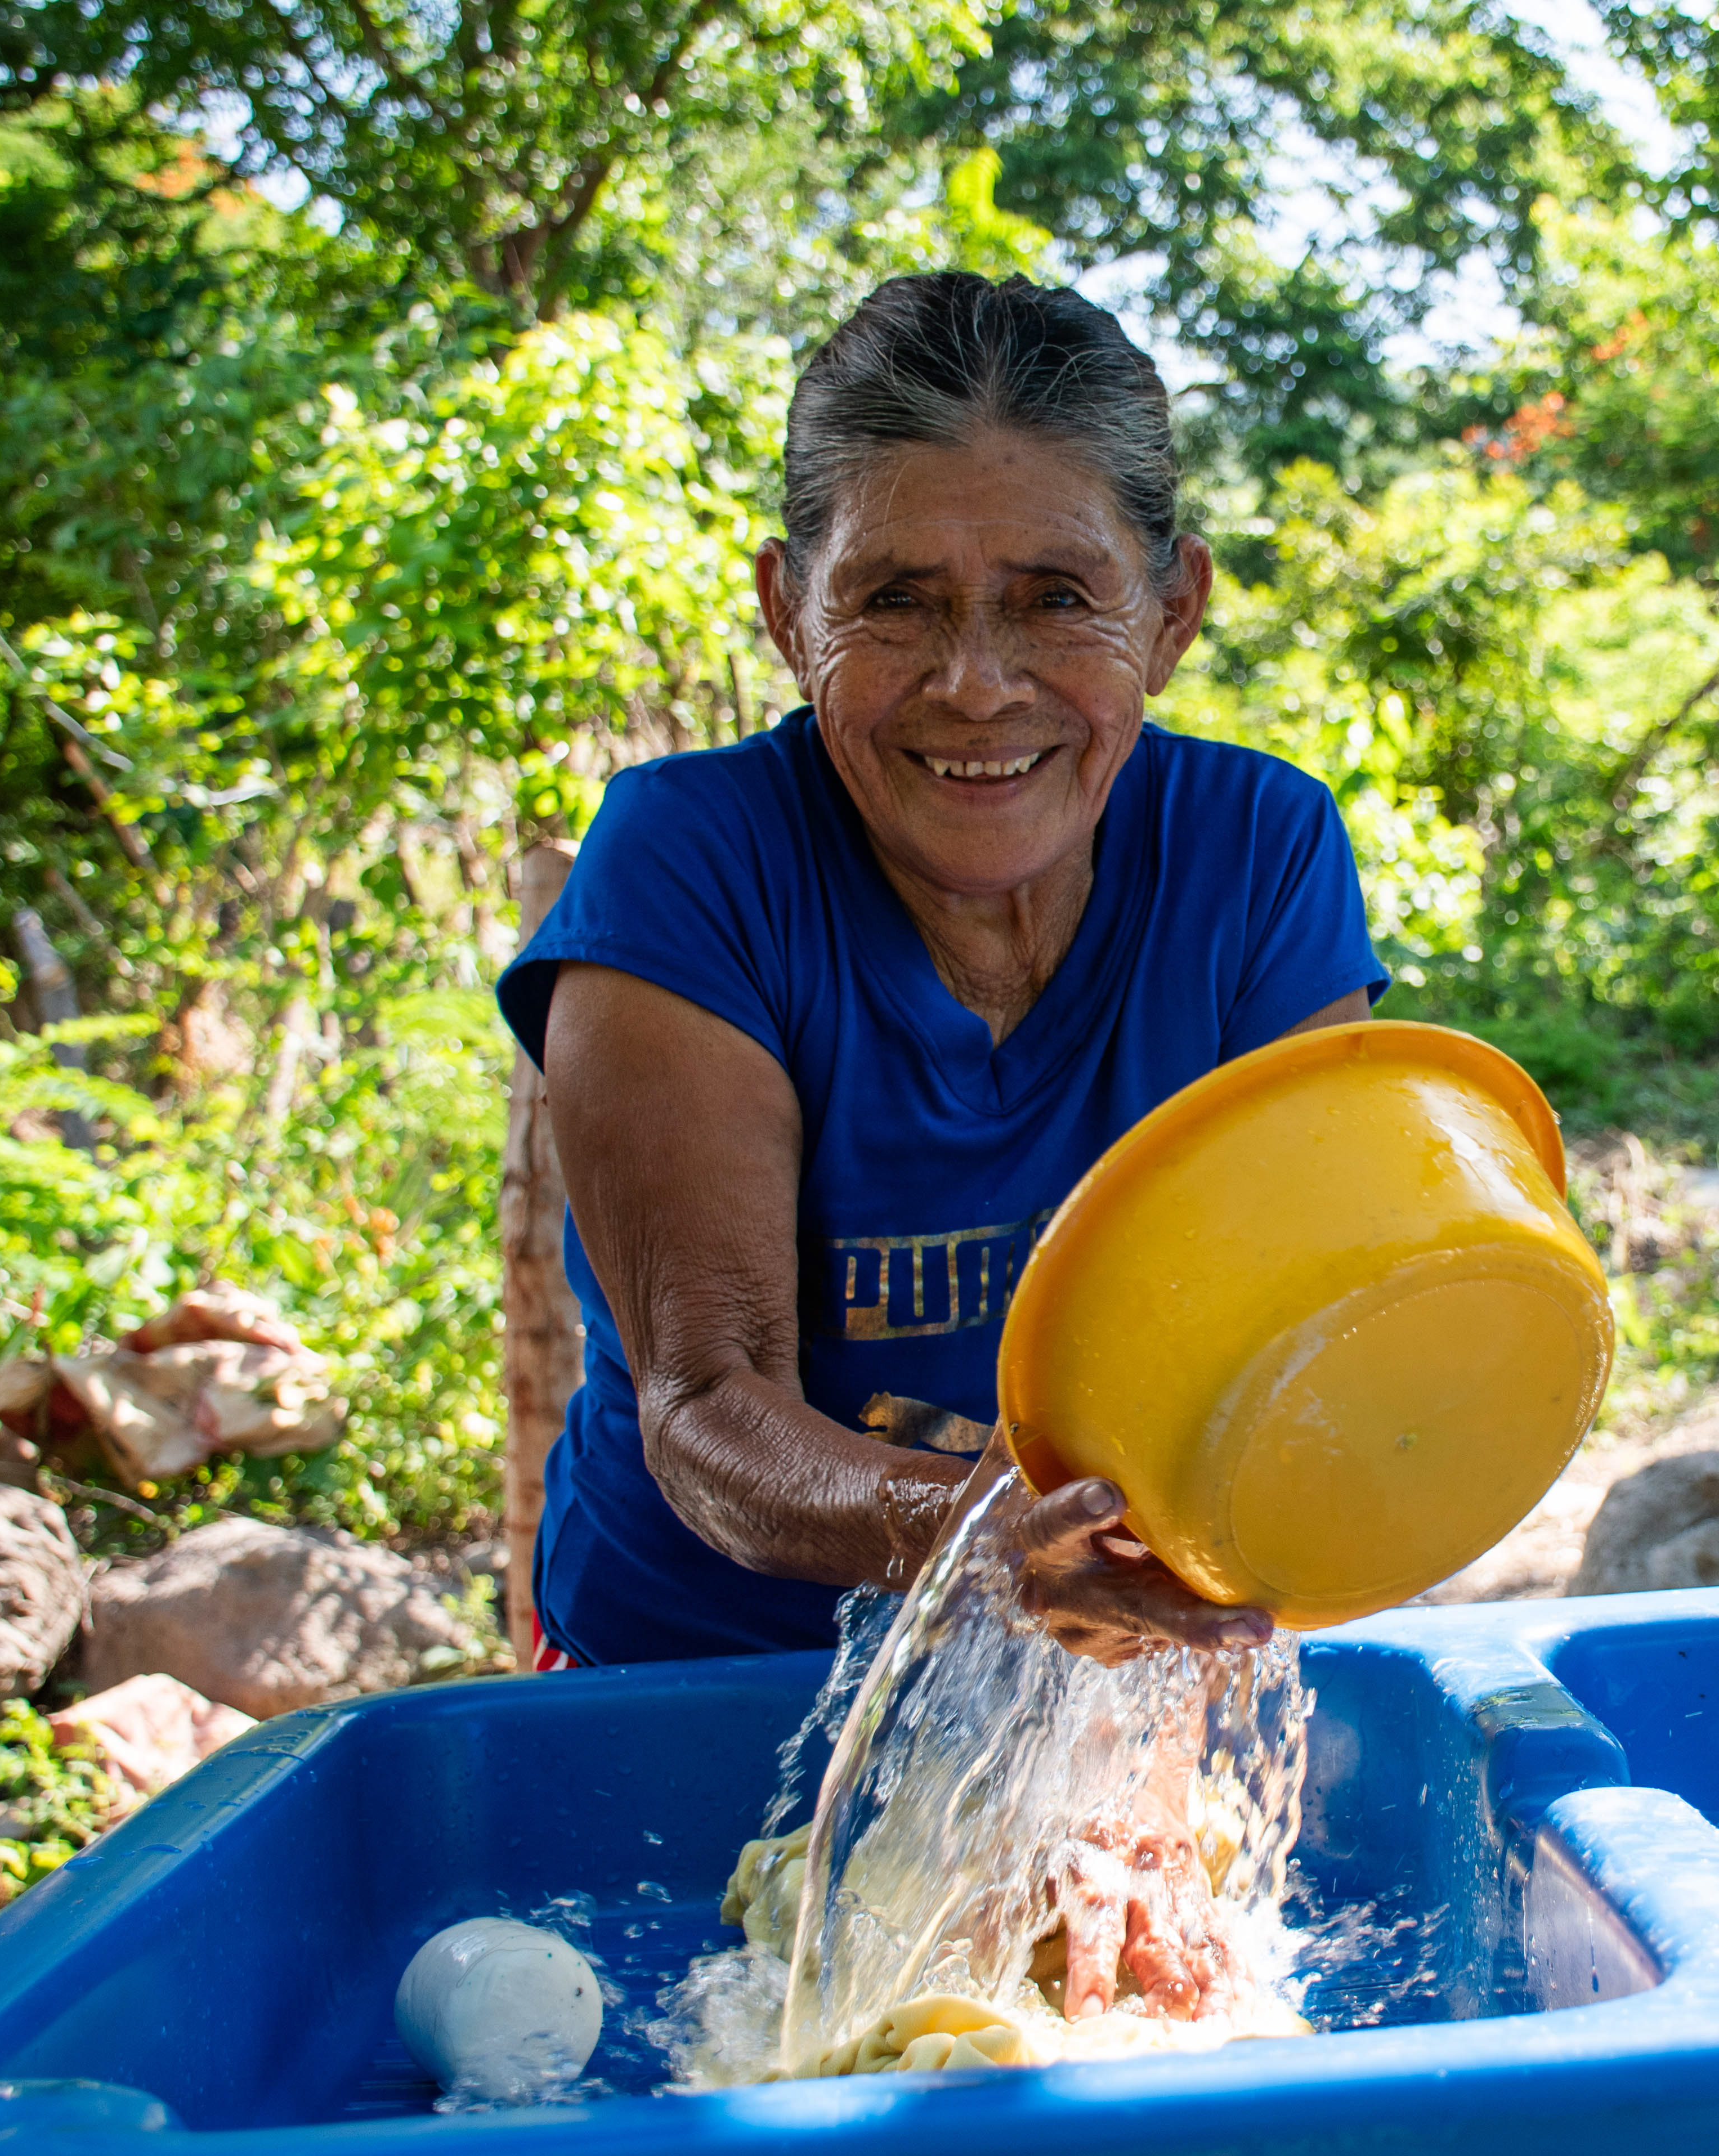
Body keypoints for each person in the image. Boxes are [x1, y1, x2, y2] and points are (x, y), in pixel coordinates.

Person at [496, 272, 1386, 1679]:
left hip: (1094, 1666)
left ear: (1173, 612)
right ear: (790, 614)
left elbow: (1304, 1327)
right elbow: (709, 1406)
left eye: (1056, 599)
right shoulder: (692, 864)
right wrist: (985, 1538)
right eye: (896, 601)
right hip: (693, 1677)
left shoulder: (1256, 853)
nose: (976, 682)